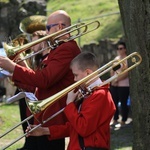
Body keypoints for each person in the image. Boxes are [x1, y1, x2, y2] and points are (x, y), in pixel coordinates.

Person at [0, 10, 81, 150]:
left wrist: (14, 68)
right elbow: (41, 84)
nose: (47, 32)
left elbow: (44, 80)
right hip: (44, 114)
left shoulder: (66, 48)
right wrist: (18, 70)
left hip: (52, 116)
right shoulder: (59, 48)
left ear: (60, 27)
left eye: (48, 28)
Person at [26, 52, 116, 150]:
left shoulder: (100, 95)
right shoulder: (89, 93)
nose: (74, 79)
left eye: (76, 75)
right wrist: (45, 131)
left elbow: (83, 128)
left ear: (88, 73)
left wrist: (69, 104)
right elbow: (74, 127)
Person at [110, 41, 130, 128]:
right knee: (113, 102)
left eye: (121, 48)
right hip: (114, 84)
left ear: (125, 49)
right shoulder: (116, 58)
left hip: (124, 85)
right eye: (118, 48)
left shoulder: (127, 59)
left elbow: (126, 73)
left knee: (123, 103)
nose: (119, 50)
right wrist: (112, 80)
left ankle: (123, 120)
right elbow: (112, 70)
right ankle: (115, 119)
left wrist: (117, 80)